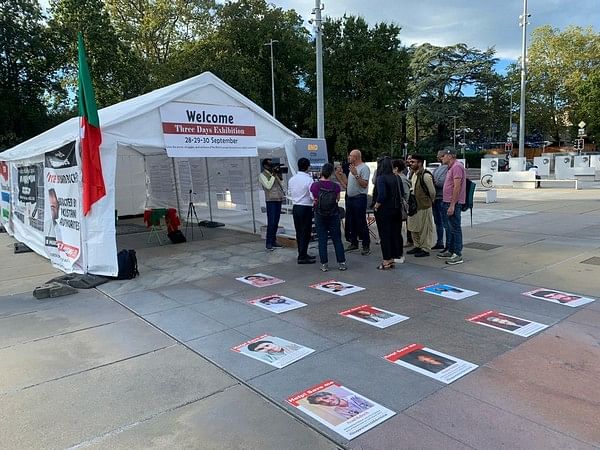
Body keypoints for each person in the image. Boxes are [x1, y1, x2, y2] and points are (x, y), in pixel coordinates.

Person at [310, 163, 347, 272]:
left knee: (322, 240)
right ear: (331, 173)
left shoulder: (315, 186)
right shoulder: (335, 186)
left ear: (321, 172)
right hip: (333, 214)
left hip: (319, 214)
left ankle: (324, 264)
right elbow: (337, 199)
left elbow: (314, 199)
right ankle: (342, 263)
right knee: (337, 239)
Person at [373, 156, 403, 270]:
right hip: (396, 210)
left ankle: (386, 260)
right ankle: (392, 258)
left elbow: (382, 195)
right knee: (394, 234)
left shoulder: (381, 178)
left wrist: (376, 206)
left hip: (384, 211)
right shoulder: (397, 178)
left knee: (384, 236)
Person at [437, 148, 466, 265]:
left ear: (450, 156)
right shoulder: (451, 167)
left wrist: (452, 205)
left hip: (452, 202)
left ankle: (457, 254)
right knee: (450, 228)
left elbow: (457, 187)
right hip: (447, 201)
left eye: (443, 156)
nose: (441, 158)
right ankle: (452, 250)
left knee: (455, 228)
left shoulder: (457, 167)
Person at [288, 157, 316, 264]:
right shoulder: (309, 179)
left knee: (299, 231)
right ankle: (302, 255)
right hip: (306, 207)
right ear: (308, 167)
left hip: (296, 207)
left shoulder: (292, 179)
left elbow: (290, 193)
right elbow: (312, 195)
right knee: (306, 231)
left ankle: (302, 252)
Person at [407, 155, 435, 257]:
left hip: (423, 206)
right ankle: (417, 245)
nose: (411, 163)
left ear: (420, 163)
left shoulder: (426, 176)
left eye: (413, 162)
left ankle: (425, 248)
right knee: (413, 227)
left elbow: (432, 192)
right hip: (414, 206)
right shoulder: (413, 174)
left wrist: (428, 202)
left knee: (425, 229)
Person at [344, 149, 371, 255]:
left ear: (356, 157)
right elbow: (348, 184)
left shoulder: (364, 168)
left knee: (361, 221)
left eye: (350, 156)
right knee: (351, 221)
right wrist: (340, 176)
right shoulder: (352, 168)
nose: (349, 158)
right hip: (350, 198)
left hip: (359, 198)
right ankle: (354, 242)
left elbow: (364, 184)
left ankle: (366, 244)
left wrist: (355, 174)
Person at [258, 158, 285, 251]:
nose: (271, 166)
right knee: (271, 222)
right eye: (270, 164)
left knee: (276, 222)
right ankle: (268, 243)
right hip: (270, 200)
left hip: (278, 199)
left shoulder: (273, 173)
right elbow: (268, 186)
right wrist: (274, 174)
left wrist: (278, 174)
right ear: (265, 165)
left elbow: (282, 184)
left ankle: (274, 241)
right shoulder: (262, 175)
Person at [306, 391, 373, 420]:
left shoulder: (354, 397)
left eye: (326, 398)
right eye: (322, 402)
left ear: (334, 395)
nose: (328, 401)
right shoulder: (338, 410)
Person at [392, 159, 410, 263]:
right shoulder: (398, 178)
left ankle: (399, 253)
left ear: (396, 168)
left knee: (397, 231)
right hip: (398, 208)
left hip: (399, 208)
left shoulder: (401, 179)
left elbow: (405, 195)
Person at [431, 149, 449, 250]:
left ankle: (447, 244)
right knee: (438, 222)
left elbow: (443, 182)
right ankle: (440, 242)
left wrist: (434, 182)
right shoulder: (438, 168)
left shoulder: (448, 168)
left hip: (442, 198)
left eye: (440, 155)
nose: (438, 157)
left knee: (445, 222)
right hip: (436, 198)